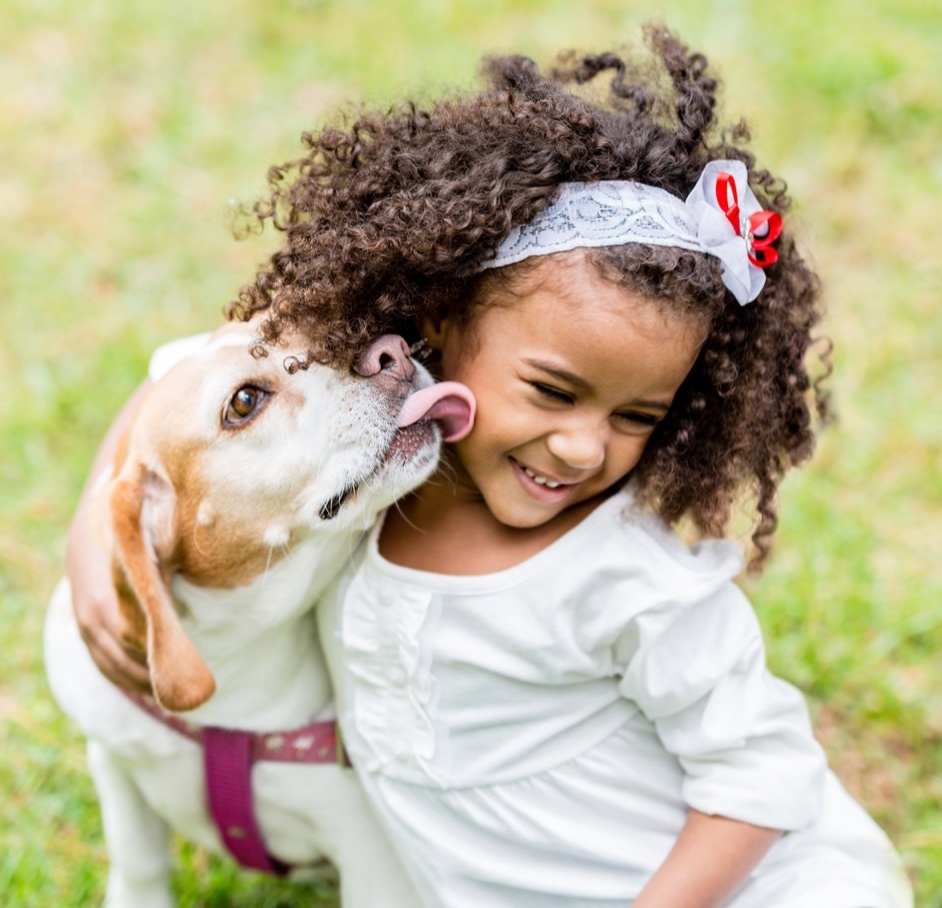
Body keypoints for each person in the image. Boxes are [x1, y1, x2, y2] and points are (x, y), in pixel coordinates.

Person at [66, 25, 912, 907]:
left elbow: (765, 774)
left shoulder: (631, 580)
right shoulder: (372, 467)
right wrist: (104, 531)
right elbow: (199, 376)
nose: (584, 447)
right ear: (438, 318)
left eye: (637, 416)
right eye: (551, 390)